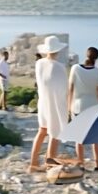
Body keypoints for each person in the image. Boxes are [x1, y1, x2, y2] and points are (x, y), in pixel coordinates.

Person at [29, 36, 69, 173]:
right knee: (55, 132)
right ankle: (49, 163)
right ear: (58, 50)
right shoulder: (59, 67)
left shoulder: (39, 63)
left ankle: (33, 163)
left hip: (43, 101)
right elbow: (63, 89)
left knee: (42, 131)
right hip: (55, 102)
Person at [69, 47, 98, 170]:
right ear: (96, 58)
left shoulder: (75, 68)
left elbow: (70, 89)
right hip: (93, 106)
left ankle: (81, 163)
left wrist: (69, 107)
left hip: (78, 106)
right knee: (96, 137)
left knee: (79, 138)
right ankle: (97, 164)